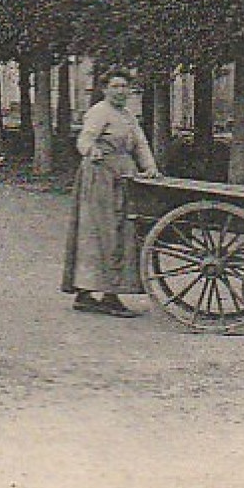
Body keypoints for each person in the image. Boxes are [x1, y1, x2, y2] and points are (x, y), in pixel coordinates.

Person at [62, 67, 159, 317]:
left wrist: (149, 167)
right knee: (99, 231)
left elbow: (140, 144)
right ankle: (88, 293)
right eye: (114, 86)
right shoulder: (99, 112)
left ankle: (109, 292)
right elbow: (84, 139)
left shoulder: (128, 115)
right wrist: (90, 150)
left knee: (122, 231)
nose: (120, 91)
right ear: (105, 89)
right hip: (100, 177)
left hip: (124, 177)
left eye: (124, 86)